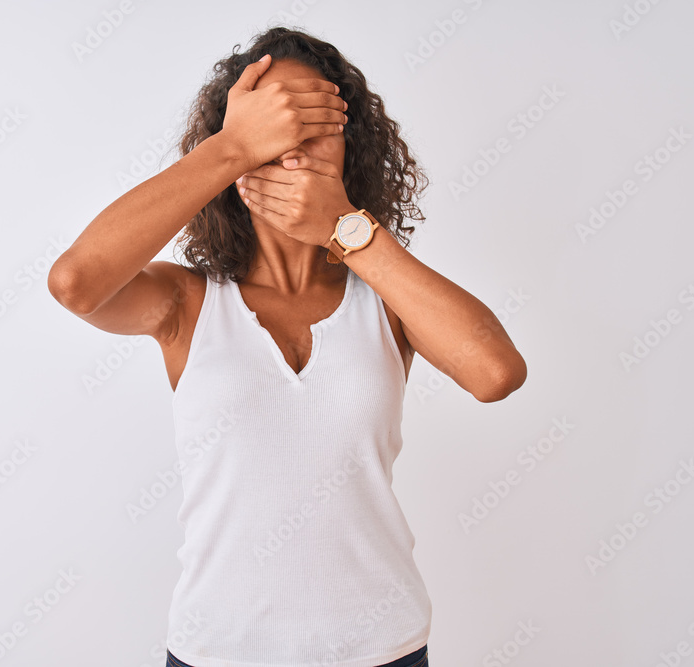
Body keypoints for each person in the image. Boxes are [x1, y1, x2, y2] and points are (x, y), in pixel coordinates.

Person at [49, 26, 526, 667]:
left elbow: (496, 373)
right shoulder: (185, 302)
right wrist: (233, 147)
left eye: (314, 119)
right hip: (215, 651)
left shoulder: (385, 296)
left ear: (350, 145)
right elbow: (75, 284)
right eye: (272, 122)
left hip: (381, 649)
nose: (292, 144)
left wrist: (346, 230)